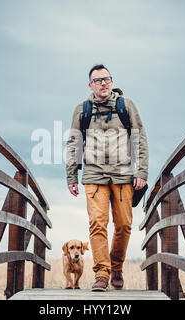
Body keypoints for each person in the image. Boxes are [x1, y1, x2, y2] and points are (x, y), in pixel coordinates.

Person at [65, 64, 149, 291]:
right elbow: (74, 143)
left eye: (107, 79)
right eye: (98, 80)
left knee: (123, 225)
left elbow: (140, 139)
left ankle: (117, 266)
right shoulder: (82, 110)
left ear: (111, 82)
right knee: (97, 224)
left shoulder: (126, 106)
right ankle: (102, 274)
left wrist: (141, 171)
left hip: (123, 175)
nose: (103, 83)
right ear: (90, 85)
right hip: (94, 175)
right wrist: (71, 175)